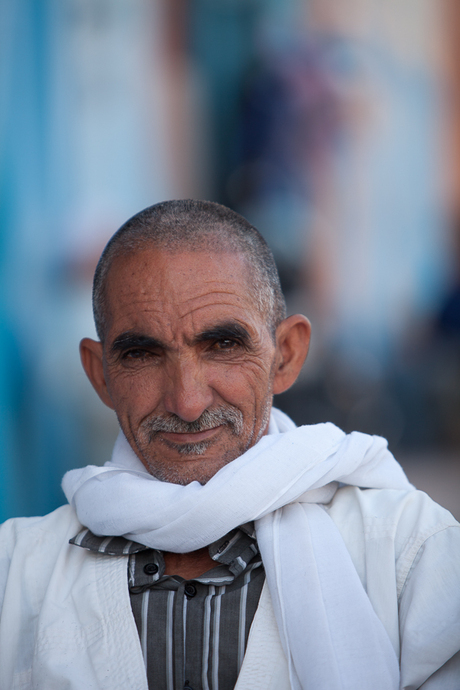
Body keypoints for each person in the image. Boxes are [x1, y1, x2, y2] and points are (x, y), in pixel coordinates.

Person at [0, 199, 459, 690]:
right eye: (142, 354)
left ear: (285, 355)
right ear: (101, 375)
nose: (188, 402)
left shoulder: (411, 554)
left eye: (222, 346)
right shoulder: (14, 575)